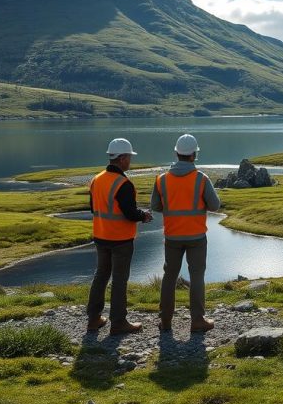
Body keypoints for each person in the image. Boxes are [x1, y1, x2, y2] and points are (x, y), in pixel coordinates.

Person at [151, 133, 221, 332]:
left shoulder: (161, 180)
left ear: (176, 153)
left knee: (169, 276)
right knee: (197, 276)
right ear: (194, 155)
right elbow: (215, 206)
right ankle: (197, 321)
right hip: (196, 236)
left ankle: (165, 321)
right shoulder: (201, 179)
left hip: (172, 236)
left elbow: (155, 206)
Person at [86, 137, 152, 335]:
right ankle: (118, 322)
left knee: (101, 276)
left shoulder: (96, 180)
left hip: (101, 235)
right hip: (121, 239)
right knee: (119, 280)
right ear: (122, 158)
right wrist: (144, 216)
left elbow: (93, 209)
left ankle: (94, 319)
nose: (130, 160)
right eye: (129, 157)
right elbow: (130, 213)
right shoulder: (123, 183)